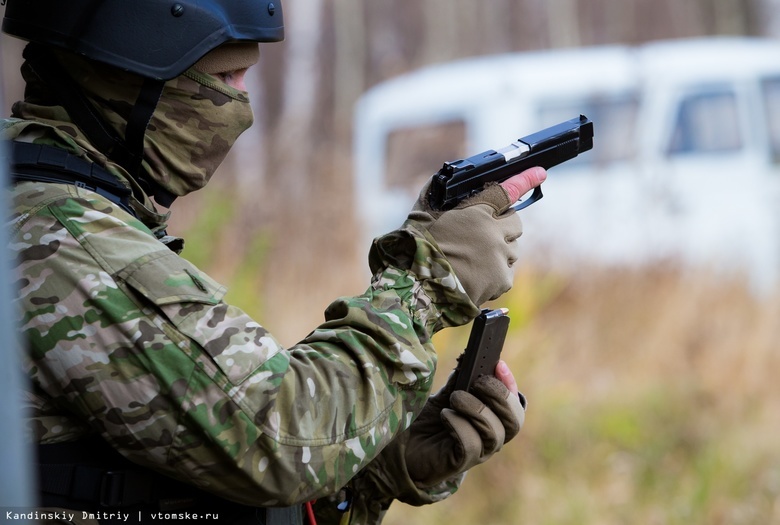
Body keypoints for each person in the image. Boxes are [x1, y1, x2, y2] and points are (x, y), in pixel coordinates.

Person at [1, 1, 546, 524]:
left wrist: (376, 467)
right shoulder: (61, 239)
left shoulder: (70, 212)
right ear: (131, 75)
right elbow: (279, 441)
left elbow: (185, 477)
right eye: (227, 76)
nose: (243, 104)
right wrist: (426, 281)